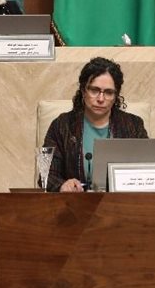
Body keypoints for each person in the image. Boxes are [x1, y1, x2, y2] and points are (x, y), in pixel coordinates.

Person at [42, 57, 147, 192]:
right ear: (83, 90)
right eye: (94, 90)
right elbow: (46, 174)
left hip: (120, 202)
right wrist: (63, 185)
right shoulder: (62, 125)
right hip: (74, 201)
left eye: (108, 92)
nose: (101, 99)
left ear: (116, 96)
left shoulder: (133, 125)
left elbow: (146, 170)